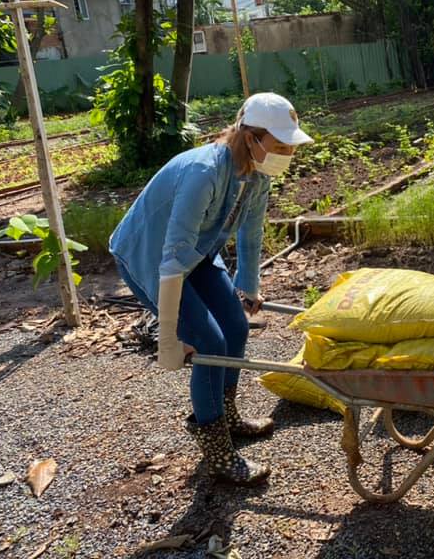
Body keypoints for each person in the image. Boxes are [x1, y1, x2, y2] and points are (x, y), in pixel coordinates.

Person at [109, 92, 313, 485]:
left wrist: (248, 286)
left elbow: (251, 234)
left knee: (235, 327)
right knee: (208, 343)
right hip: (152, 257)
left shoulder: (256, 173)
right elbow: (172, 255)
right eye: (281, 144)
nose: (287, 153)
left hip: (197, 252)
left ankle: (228, 415)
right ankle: (216, 448)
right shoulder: (204, 171)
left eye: (290, 146)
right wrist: (169, 336)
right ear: (250, 136)